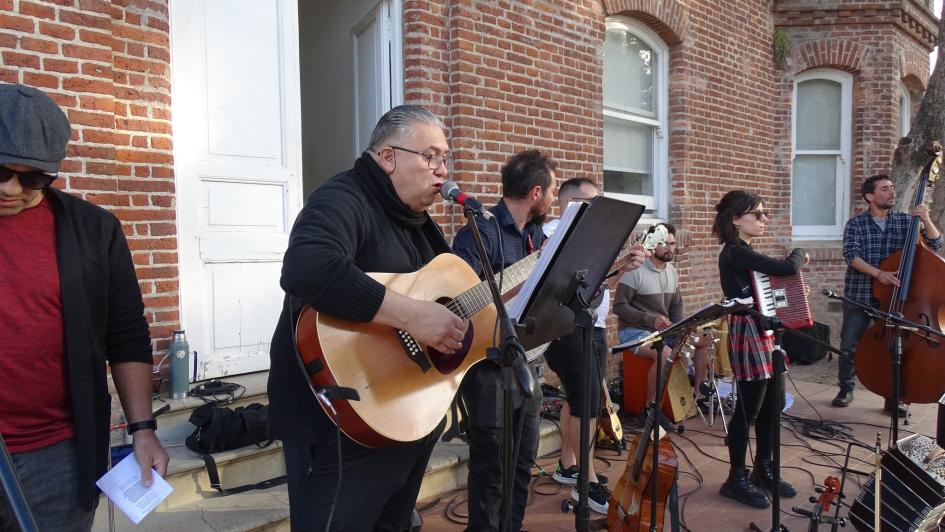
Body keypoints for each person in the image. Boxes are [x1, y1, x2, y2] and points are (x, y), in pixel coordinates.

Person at [267, 105, 466, 531]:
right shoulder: (344, 197)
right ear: (388, 157)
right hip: (337, 424)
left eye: (445, 158)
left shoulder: (418, 223)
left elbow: (446, 302)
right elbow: (307, 266)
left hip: (400, 414)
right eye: (430, 156)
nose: (442, 170)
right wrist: (413, 315)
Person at [0, 83, 169, 531]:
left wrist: (143, 429)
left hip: (58, 455)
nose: (12, 188)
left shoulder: (94, 231)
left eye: (33, 177)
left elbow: (126, 333)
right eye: (0, 171)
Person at [451, 149, 555, 532]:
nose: (553, 201)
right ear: (536, 192)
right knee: (492, 468)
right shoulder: (479, 231)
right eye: (552, 192)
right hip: (487, 368)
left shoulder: (537, 236)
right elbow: (455, 304)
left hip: (525, 361)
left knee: (523, 461)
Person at [541, 177, 645, 515]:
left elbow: (595, 287)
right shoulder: (552, 234)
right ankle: (586, 484)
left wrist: (621, 269)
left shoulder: (590, 237)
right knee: (587, 406)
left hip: (592, 327)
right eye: (590, 202)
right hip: (567, 330)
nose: (597, 210)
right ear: (569, 203)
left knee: (578, 398)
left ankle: (567, 465)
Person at [712, 190, 807, 509]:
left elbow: (773, 282)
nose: (764, 219)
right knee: (748, 409)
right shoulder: (735, 251)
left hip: (765, 331)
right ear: (736, 220)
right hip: (748, 331)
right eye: (758, 214)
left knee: (773, 404)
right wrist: (799, 251)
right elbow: (784, 267)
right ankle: (735, 478)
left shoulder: (744, 251)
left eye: (764, 214)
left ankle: (763, 470)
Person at [832, 174, 942, 411]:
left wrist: (926, 219)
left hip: (895, 299)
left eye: (892, 187)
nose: (892, 192)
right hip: (861, 294)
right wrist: (879, 274)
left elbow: (935, 245)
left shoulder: (906, 221)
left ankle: (894, 396)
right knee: (850, 344)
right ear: (870, 196)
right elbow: (851, 255)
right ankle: (846, 388)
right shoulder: (856, 224)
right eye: (885, 189)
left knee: (895, 347)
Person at [613, 223, 710, 410]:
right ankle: (651, 407)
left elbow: (676, 305)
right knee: (665, 354)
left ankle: (697, 396)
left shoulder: (672, 271)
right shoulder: (634, 270)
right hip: (634, 332)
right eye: (664, 243)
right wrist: (651, 320)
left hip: (662, 331)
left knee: (703, 340)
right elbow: (619, 307)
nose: (669, 247)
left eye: (672, 244)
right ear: (652, 244)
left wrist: (681, 328)